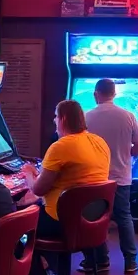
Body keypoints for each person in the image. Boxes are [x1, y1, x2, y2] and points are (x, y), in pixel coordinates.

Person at [84, 79, 138, 272]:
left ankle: (100, 261)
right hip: (120, 176)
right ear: (114, 94)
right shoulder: (128, 116)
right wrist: (128, 155)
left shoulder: (86, 116)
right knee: (124, 217)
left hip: (95, 177)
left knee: (95, 218)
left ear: (96, 94)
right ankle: (131, 261)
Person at [31, 100, 111, 240]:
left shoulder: (60, 146)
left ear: (63, 119)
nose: (54, 120)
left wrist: (28, 173)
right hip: (93, 217)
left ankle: (35, 255)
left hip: (61, 220)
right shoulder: (100, 141)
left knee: (18, 221)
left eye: (56, 116)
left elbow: (38, 190)